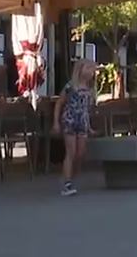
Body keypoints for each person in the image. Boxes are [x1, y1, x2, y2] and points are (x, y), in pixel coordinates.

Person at [53, 59, 97, 196]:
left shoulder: (90, 89)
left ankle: (70, 176)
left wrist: (89, 126)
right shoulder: (71, 86)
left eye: (92, 70)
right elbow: (59, 103)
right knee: (71, 152)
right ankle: (67, 183)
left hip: (82, 121)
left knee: (81, 153)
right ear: (80, 70)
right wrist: (56, 122)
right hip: (70, 120)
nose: (90, 72)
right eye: (88, 68)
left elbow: (86, 109)